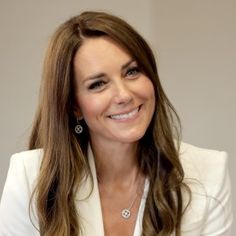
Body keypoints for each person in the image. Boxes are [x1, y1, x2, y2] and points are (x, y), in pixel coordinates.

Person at [0, 11, 233, 236]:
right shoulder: (30, 178)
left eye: (132, 72)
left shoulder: (209, 173)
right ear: (74, 106)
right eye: (98, 84)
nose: (124, 95)